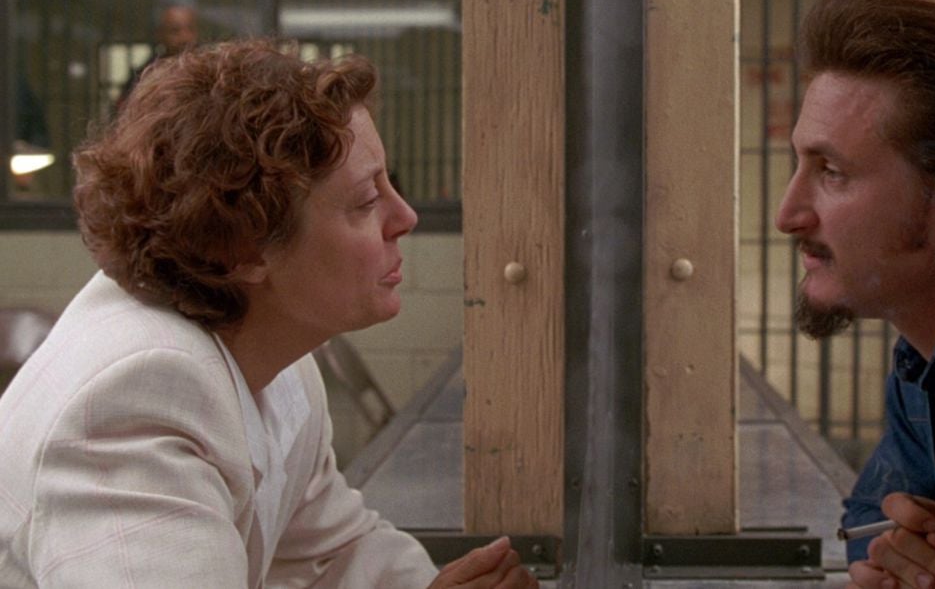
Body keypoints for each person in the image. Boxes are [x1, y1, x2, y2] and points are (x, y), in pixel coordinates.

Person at [0, 38, 537, 588]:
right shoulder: (136, 400)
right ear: (246, 248)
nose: (406, 216)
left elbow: (331, 554)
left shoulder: (273, 357)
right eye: (366, 201)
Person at [776, 0, 935, 589]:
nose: (788, 215)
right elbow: (867, 523)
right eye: (799, 163)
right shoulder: (929, 349)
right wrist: (909, 549)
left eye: (832, 171)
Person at [116, 4, 200, 108]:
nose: (184, 37)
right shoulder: (145, 76)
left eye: (190, 29)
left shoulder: (208, 70)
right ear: (160, 35)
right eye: (175, 31)